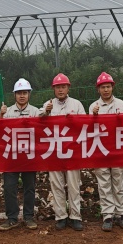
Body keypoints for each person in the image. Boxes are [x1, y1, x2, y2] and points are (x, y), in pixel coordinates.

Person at [40, 73, 86, 231]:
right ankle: (60, 216)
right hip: (54, 151)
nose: (60, 90)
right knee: (57, 185)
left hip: (72, 151)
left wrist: (74, 120)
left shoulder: (76, 104)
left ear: (68, 88)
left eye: (63, 87)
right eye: (58, 87)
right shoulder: (48, 105)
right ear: (53, 89)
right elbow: (38, 121)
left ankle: (75, 216)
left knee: (73, 185)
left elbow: (85, 124)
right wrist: (46, 112)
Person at [90, 72, 123, 232]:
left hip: (117, 148)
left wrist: (121, 118)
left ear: (112, 87)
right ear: (98, 89)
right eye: (103, 87)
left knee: (118, 182)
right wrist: (93, 116)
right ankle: (107, 215)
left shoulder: (121, 104)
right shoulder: (94, 106)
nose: (106, 90)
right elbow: (89, 129)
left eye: (108, 86)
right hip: (100, 149)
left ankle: (122, 214)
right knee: (104, 183)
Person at [0, 78, 38, 231]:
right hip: (11, 156)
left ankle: (29, 217)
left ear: (29, 94)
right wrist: (0, 115)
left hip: (29, 156)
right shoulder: (7, 112)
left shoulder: (35, 112)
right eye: (19, 93)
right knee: (9, 187)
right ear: (14, 95)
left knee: (30, 187)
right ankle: (12, 218)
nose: (22, 96)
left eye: (25, 93)